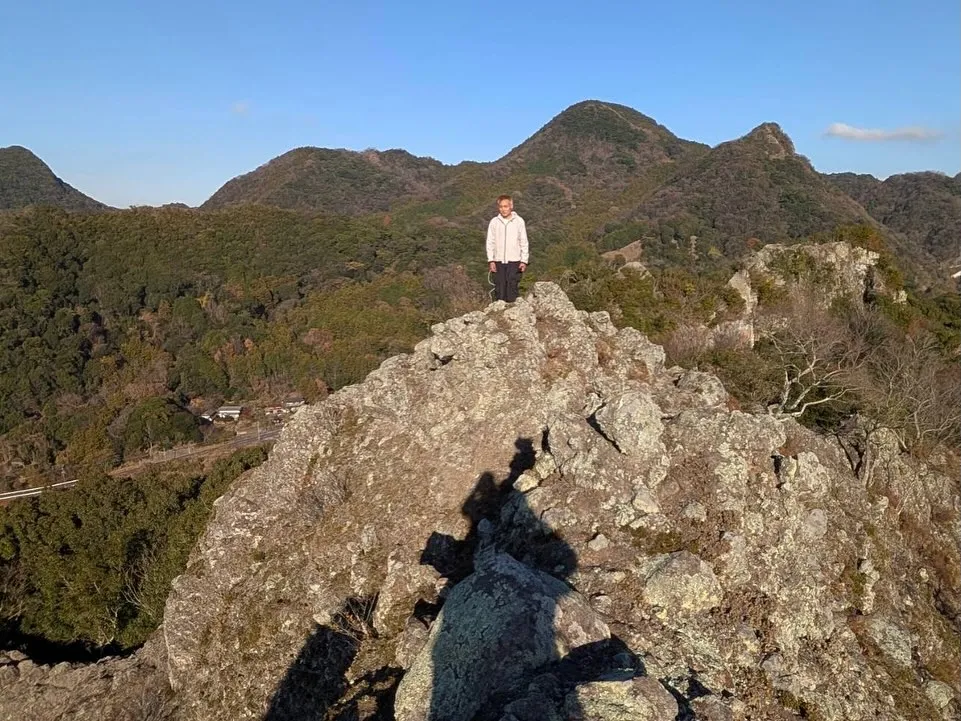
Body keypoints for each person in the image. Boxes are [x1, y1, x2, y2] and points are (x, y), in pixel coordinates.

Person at [486, 195, 529, 302]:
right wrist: (491, 260)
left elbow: (523, 241)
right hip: (498, 261)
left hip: (514, 261)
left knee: (512, 288)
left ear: (511, 206)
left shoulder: (519, 221)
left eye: (505, 206)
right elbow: (490, 242)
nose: (503, 209)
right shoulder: (494, 222)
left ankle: (513, 310)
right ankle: (500, 310)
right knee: (499, 290)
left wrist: (524, 260)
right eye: (501, 207)